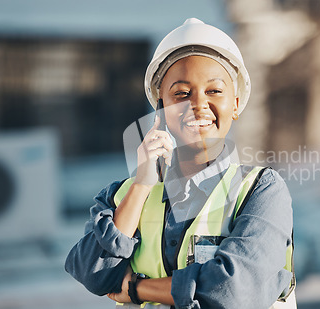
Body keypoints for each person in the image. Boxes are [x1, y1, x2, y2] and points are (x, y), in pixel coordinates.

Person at [65, 18, 296, 309]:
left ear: (235, 104)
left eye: (214, 91)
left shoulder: (260, 191)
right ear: (161, 107)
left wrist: (137, 288)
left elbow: (235, 291)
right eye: (181, 93)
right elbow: (92, 274)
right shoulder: (121, 195)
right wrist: (141, 185)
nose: (198, 104)